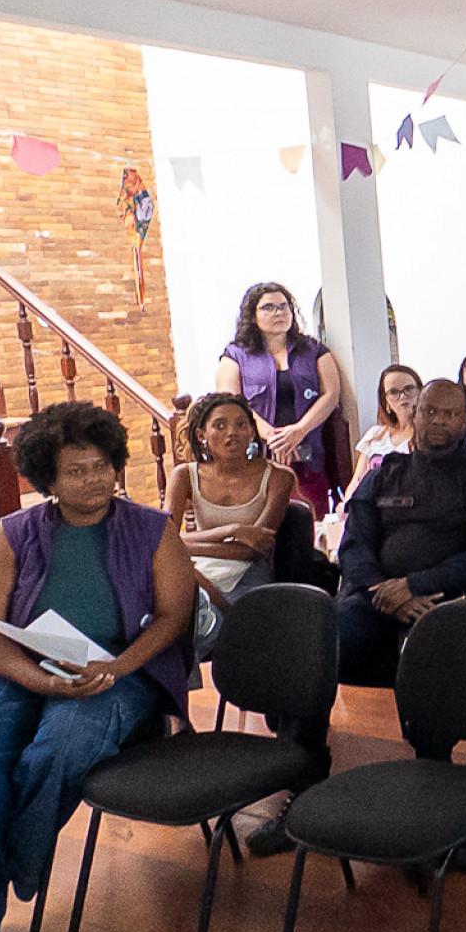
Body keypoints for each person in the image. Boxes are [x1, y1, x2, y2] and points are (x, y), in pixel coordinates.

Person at [0, 402, 194, 932]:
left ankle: (12, 856)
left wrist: (117, 666)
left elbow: (172, 617)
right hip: (18, 666)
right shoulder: (13, 534)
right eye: (75, 471)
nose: (93, 479)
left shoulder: (154, 530)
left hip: (117, 670)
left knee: (64, 743)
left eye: (101, 466)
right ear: (49, 480)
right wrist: (38, 679)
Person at [335, 379, 466, 689]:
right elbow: (353, 544)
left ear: (465, 419)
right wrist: (385, 591)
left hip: (446, 601)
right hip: (375, 596)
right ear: (415, 413)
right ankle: (301, 738)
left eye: (450, 413)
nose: (438, 420)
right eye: (429, 410)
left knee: (428, 677)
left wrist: (413, 586)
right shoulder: (383, 474)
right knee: (322, 647)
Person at [167, 392, 295, 659]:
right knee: (173, 620)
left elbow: (252, 550)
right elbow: (161, 541)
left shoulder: (278, 477)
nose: (231, 433)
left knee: (212, 628)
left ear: (252, 431)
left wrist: (185, 546)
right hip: (198, 571)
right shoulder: (184, 475)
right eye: (220, 425)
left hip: (249, 574)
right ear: (203, 434)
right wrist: (232, 530)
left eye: (240, 425)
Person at [215, 282, 342, 517]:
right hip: (256, 461)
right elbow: (230, 403)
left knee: (311, 526)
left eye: (284, 307)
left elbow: (332, 393)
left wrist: (299, 431)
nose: (279, 313)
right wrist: (271, 436)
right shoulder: (235, 355)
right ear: (252, 316)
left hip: (307, 456)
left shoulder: (313, 350)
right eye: (269, 308)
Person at [341, 364, 421, 502]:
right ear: (386, 402)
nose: (403, 396)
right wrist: (348, 505)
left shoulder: (427, 437)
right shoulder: (374, 434)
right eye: (394, 392)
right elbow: (358, 480)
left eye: (409, 389)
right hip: (370, 507)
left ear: (421, 392)